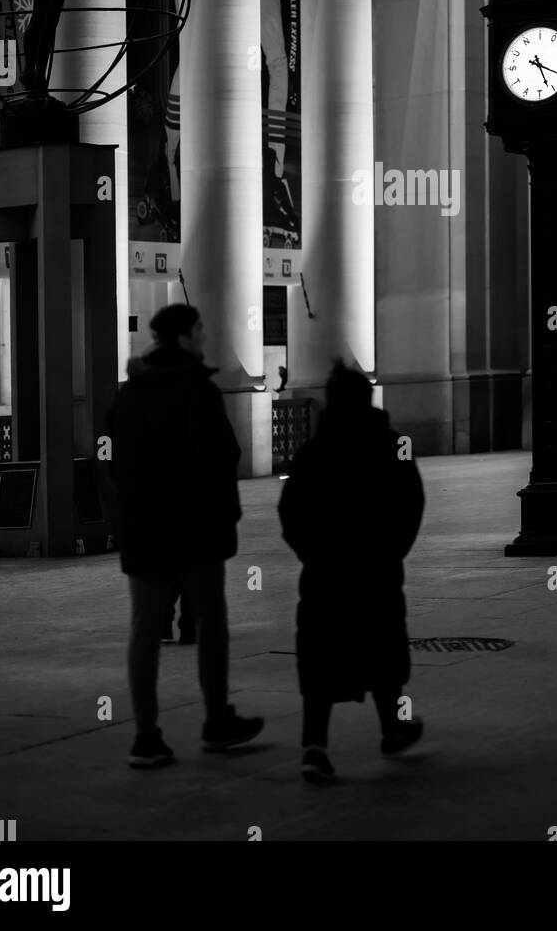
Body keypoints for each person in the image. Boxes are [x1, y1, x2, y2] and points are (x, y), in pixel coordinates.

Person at [109, 303, 263, 769]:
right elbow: (223, 455)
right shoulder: (198, 390)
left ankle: (146, 736)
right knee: (211, 622)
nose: (205, 337)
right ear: (183, 337)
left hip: (145, 529)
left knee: (144, 629)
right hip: (196, 528)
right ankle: (217, 721)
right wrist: (225, 517)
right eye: (200, 330)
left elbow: (119, 466)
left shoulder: (129, 395)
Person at [278, 362, 425, 783]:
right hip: (376, 571)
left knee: (321, 660)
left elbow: (290, 512)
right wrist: (391, 551)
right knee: (383, 650)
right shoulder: (392, 446)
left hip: (325, 576)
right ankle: (393, 727)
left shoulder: (314, 451)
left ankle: (314, 745)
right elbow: (410, 504)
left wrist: (312, 553)